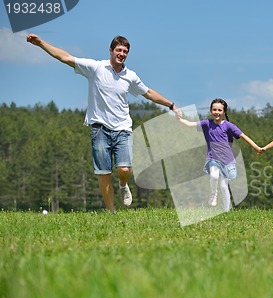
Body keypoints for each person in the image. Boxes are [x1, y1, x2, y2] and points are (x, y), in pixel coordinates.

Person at [26, 34, 182, 213]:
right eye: (118, 50)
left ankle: (123, 184)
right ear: (111, 51)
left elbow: (148, 93)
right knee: (103, 173)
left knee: (124, 169)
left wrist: (171, 105)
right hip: (99, 129)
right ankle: (112, 212)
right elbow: (65, 57)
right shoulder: (96, 68)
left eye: (125, 51)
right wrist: (40, 44)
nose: (121, 54)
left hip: (122, 128)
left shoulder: (130, 76)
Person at [177, 98, 262, 212]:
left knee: (223, 186)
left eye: (219, 110)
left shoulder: (229, 126)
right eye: (214, 109)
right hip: (213, 158)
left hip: (227, 161)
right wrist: (179, 119)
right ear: (211, 111)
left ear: (224, 112)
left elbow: (243, 136)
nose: (217, 112)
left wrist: (256, 147)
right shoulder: (207, 124)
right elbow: (190, 124)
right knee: (214, 176)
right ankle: (214, 194)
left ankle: (226, 210)